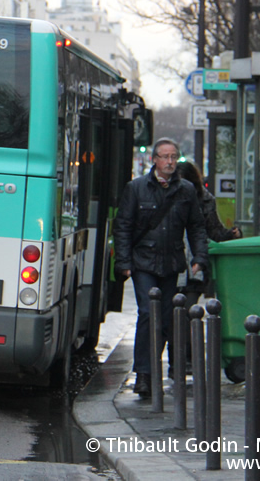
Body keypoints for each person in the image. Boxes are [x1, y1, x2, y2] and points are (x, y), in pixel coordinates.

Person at [113, 138, 209, 398]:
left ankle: (161, 370)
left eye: (173, 157)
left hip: (171, 263)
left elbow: (196, 226)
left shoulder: (186, 190)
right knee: (148, 313)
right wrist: (123, 263)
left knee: (167, 319)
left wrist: (199, 256)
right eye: (164, 157)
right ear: (154, 160)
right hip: (143, 262)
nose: (169, 162)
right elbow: (123, 226)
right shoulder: (136, 188)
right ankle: (143, 374)